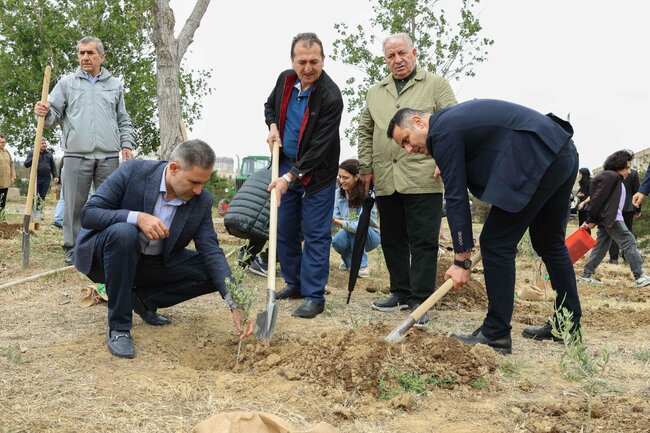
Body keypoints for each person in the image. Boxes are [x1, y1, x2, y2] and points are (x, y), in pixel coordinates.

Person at [387, 99, 582, 354]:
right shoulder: (449, 126)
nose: (409, 149)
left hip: (540, 157)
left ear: (417, 122)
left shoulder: (443, 131)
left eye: (406, 140)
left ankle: (495, 333)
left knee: (496, 242)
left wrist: (461, 260)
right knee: (549, 243)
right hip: (560, 151)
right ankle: (566, 324)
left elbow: (456, 197)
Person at [72, 140, 253, 358]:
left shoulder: (202, 201)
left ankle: (144, 300)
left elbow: (211, 250)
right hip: (108, 257)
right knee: (124, 232)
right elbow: (89, 213)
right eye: (194, 182)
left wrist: (235, 302)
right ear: (174, 168)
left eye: (203, 183)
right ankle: (119, 328)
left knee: (213, 271)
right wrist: (137, 217)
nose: (198, 190)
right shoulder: (133, 171)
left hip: (153, 263)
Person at [357, 33, 457, 326]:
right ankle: (400, 291)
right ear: (385, 60)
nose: (397, 60)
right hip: (387, 176)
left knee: (423, 241)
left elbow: (452, 122)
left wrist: (445, 158)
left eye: (402, 53)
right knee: (392, 239)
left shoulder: (436, 85)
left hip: (423, 175)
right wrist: (366, 167)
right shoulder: (376, 92)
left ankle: (420, 299)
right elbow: (364, 130)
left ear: (414, 52)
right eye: (391, 56)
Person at [34, 36, 134, 265]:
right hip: (76, 155)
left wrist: (126, 144)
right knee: (73, 207)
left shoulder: (115, 85)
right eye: (81, 53)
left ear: (102, 56)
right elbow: (52, 116)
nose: (85, 57)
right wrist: (43, 111)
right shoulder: (66, 83)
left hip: (108, 156)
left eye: (90, 53)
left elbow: (123, 119)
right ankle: (74, 249)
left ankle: (108, 247)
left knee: (110, 206)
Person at [264, 32, 343, 319]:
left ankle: (313, 295)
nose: (308, 68)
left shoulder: (331, 97)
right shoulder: (285, 80)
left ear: (323, 60)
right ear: (292, 61)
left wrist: (290, 178)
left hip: (317, 175)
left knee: (315, 234)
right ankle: (294, 284)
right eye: (302, 62)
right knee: (283, 228)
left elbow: (320, 147)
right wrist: (272, 125)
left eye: (314, 61)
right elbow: (269, 107)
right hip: (284, 164)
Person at [578, 150, 650, 287]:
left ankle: (586, 275)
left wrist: (592, 220)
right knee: (629, 241)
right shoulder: (611, 176)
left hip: (609, 218)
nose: (629, 171)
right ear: (618, 165)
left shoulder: (613, 177)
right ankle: (639, 276)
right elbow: (597, 199)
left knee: (601, 246)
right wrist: (590, 220)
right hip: (612, 218)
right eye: (627, 167)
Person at [224, 166, 282, 278]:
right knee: (294, 231)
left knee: (261, 224)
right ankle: (263, 262)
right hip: (250, 222)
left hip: (232, 219)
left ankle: (246, 257)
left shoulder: (262, 170)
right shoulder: (285, 176)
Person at [332, 159, 381, 278]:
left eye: (345, 177)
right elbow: (336, 214)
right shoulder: (338, 193)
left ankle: (362, 266)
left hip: (370, 234)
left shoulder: (366, 195)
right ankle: (349, 261)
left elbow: (360, 224)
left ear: (356, 177)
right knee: (337, 241)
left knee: (355, 229)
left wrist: (336, 221)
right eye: (339, 177)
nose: (341, 181)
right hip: (348, 231)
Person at [608, 166, 640, 264]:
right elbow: (637, 191)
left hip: (615, 206)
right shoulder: (634, 173)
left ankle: (614, 258)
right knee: (627, 233)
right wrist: (638, 209)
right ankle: (626, 258)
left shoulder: (613, 172)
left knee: (614, 233)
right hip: (629, 207)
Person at [24, 137, 58, 220]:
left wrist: (55, 176)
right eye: (42, 143)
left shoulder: (49, 154)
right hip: (35, 179)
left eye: (45, 143)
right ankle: (32, 214)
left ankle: (38, 215)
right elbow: (26, 164)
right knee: (34, 196)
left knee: (42, 197)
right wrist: (34, 157)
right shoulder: (32, 153)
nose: (45, 145)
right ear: (37, 144)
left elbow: (53, 166)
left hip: (46, 179)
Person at [0, 133, 16, 218]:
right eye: (1, 142)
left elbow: (11, 165)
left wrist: (13, 176)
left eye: (4, 142)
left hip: (5, 182)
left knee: (3, 200)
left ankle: (2, 217)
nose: (3, 144)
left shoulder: (7, 152)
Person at [575, 168, 591, 233]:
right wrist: (578, 194)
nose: (578, 175)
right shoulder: (582, 183)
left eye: (580, 173)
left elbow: (592, 194)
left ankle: (587, 241)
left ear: (584, 174)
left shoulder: (591, 182)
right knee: (581, 224)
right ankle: (581, 240)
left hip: (587, 206)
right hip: (581, 207)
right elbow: (578, 193)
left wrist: (584, 195)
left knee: (585, 225)